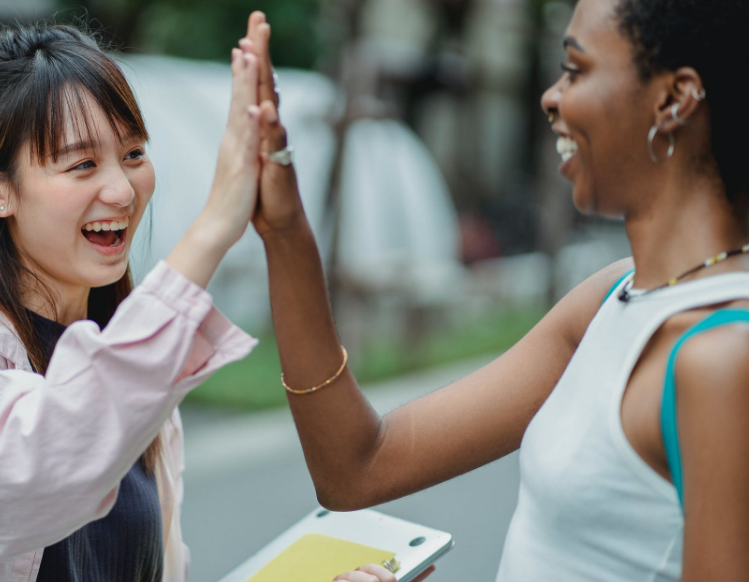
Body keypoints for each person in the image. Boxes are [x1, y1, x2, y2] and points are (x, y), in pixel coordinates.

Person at [241, 1, 749, 580]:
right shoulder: (612, 298)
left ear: (674, 99)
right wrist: (285, 232)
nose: (550, 97)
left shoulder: (722, 357)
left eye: (577, 70)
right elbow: (357, 467)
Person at [0, 23, 264, 581]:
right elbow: (37, 469)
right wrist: (214, 226)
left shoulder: (135, 384)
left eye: (134, 153)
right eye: (82, 164)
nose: (121, 190)